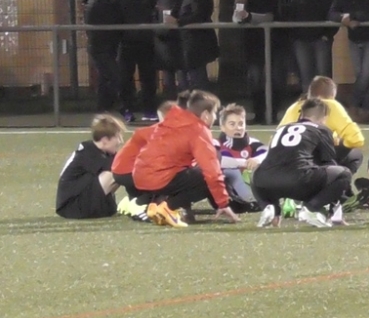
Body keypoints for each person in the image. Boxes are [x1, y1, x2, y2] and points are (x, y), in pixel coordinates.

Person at [132, 90, 238, 228]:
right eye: (214, 113)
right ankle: (167, 207)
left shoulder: (173, 119)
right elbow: (212, 171)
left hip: (140, 176)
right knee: (207, 177)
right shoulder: (198, 129)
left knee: (189, 172)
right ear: (206, 115)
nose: (215, 117)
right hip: (160, 177)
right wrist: (223, 203)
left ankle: (155, 205)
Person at [252, 99, 353, 229]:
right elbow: (329, 163)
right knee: (343, 174)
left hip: (264, 182)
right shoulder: (321, 129)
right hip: (297, 181)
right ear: (324, 117)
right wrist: (337, 197)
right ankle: (311, 209)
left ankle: (270, 208)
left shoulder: (281, 129)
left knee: (256, 173)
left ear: (302, 114)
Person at [112, 98, 181, 221]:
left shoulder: (156, 130)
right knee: (169, 178)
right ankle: (137, 205)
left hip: (123, 170)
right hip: (128, 171)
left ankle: (130, 202)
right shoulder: (158, 134)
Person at [280, 76, 365, 174]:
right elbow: (356, 139)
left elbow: (274, 139)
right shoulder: (330, 105)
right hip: (313, 159)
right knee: (355, 155)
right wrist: (336, 142)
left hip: (285, 162)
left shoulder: (294, 107)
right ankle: (338, 180)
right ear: (331, 95)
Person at [112, 0, 158, 122]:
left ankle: (149, 110)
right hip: (125, 41)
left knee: (148, 77)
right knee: (125, 77)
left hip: (145, 40)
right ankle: (127, 109)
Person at [55, 114, 126, 219]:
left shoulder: (98, 151)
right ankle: (137, 202)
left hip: (79, 200)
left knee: (119, 169)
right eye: (117, 137)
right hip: (71, 207)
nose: (120, 141)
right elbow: (123, 167)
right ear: (105, 140)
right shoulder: (88, 153)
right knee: (116, 171)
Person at [233, 0, 278, 124]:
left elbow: (269, 16)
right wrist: (239, 18)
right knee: (254, 80)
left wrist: (250, 16)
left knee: (269, 79)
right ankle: (258, 113)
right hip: (250, 44)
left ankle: (271, 113)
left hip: (268, 43)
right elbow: (235, 16)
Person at [291, 0, 338, 86]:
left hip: (321, 38)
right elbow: (293, 11)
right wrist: (295, 35)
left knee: (323, 76)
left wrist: (328, 34)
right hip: (301, 39)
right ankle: (308, 99)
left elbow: (335, 11)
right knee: (305, 76)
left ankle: (326, 100)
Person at [171, 0, 218, 91]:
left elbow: (198, 15)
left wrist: (179, 21)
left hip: (196, 40)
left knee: (196, 76)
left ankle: (200, 100)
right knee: (190, 75)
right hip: (189, 40)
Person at [83, 0, 123, 115]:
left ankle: (104, 107)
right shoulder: (101, 1)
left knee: (105, 76)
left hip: (97, 44)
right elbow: (112, 18)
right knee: (112, 76)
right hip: (102, 45)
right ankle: (107, 106)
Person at [215, 103, 266, 213]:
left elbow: (267, 154)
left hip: (250, 184)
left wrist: (257, 160)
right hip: (224, 192)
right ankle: (249, 200)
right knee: (230, 171)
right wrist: (245, 163)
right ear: (222, 127)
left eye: (241, 123)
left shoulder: (254, 143)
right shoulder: (216, 144)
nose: (238, 128)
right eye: (232, 124)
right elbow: (221, 161)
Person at [154, 0, 187, 99]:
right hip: (164, 42)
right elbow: (155, 15)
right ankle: (171, 103)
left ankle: (185, 104)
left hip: (179, 41)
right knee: (168, 78)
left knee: (182, 77)